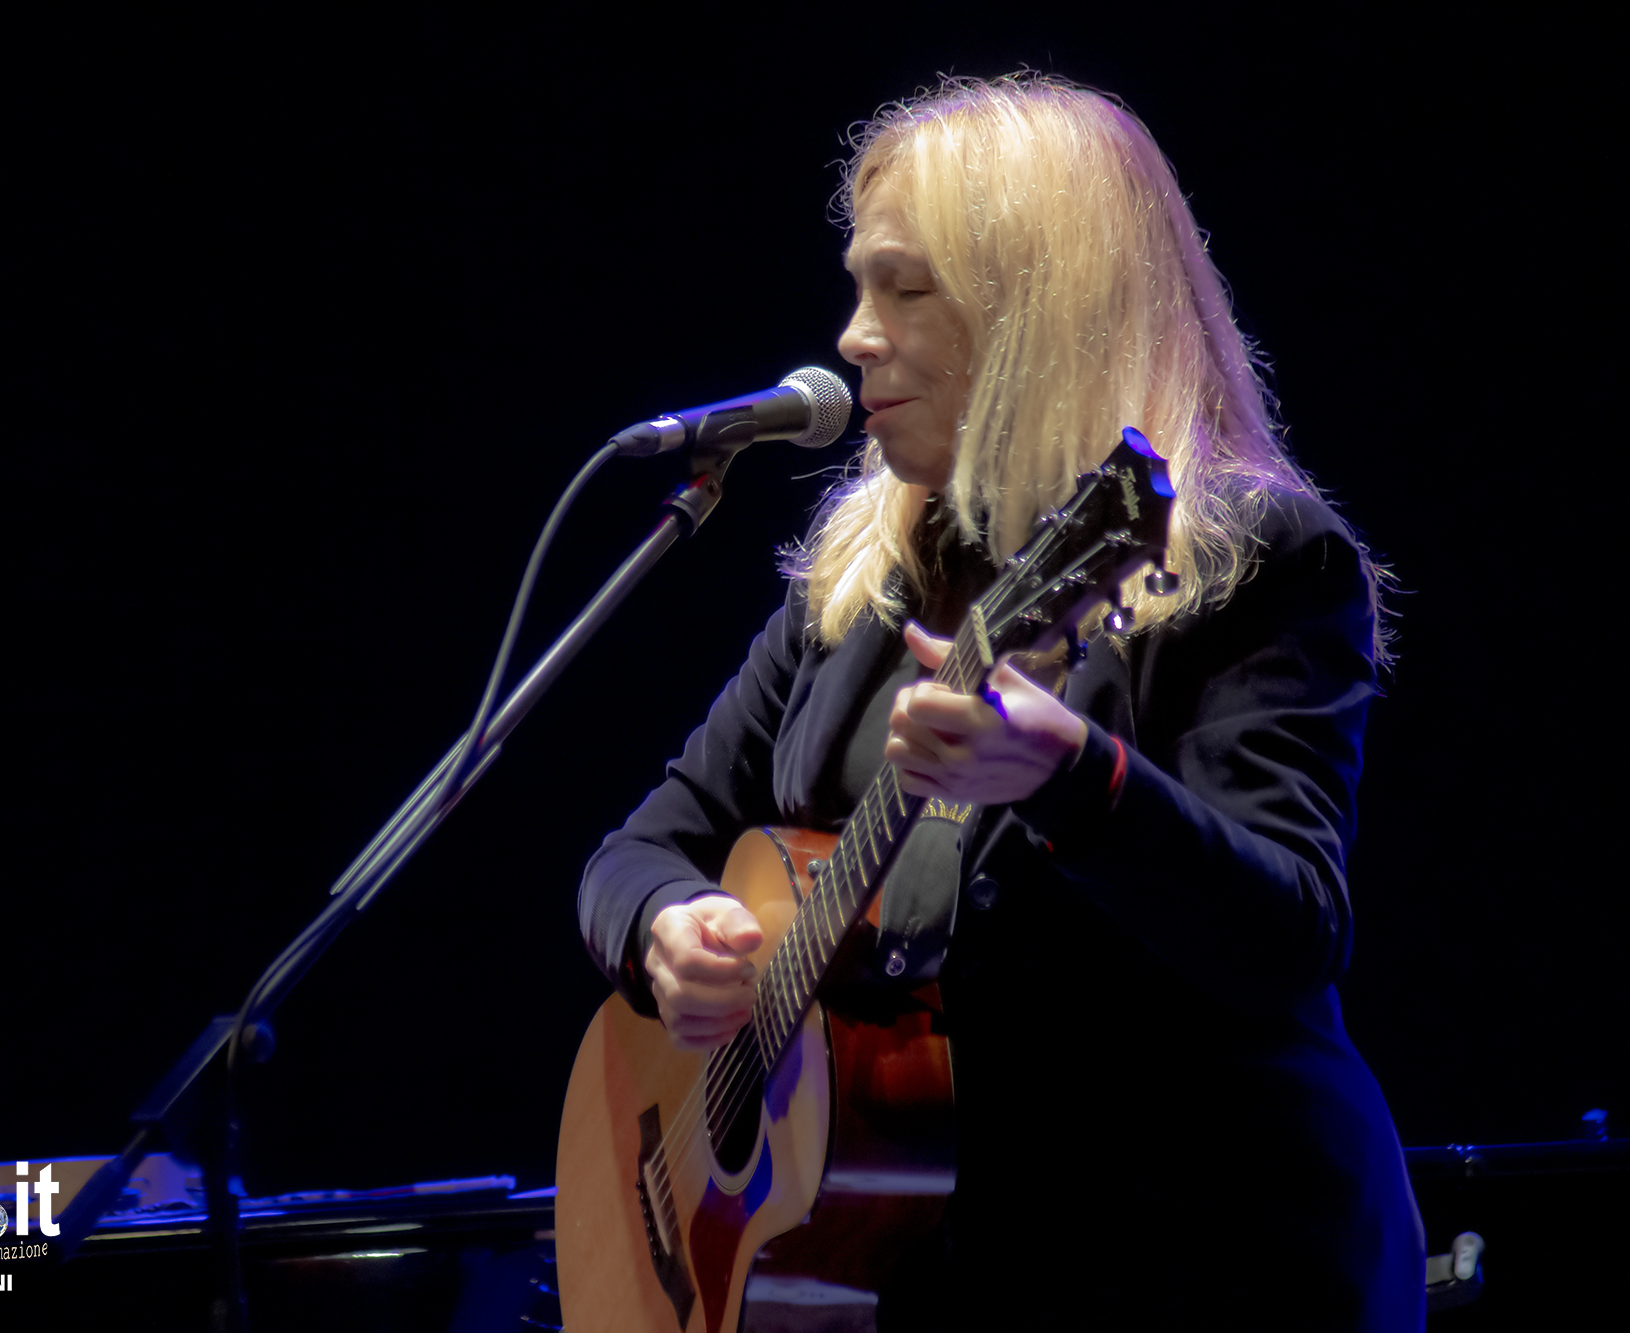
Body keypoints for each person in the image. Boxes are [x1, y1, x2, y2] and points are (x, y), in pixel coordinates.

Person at [577, 75, 1426, 1328]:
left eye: (903, 290)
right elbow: (636, 848)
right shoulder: (865, 577)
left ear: (1037, 309)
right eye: (858, 288)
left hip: (1194, 1257)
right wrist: (664, 927)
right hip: (920, 1271)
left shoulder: (1248, 558)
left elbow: (1289, 932)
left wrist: (1071, 778)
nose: (852, 337)